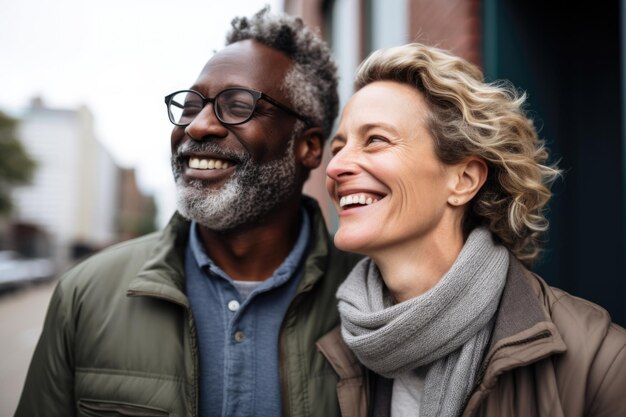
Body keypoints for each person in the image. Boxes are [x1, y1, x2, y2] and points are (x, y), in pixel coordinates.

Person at [15, 7, 361, 417]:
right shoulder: (84, 295)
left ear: (309, 146)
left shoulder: (370, 297)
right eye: (191, 105)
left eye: (237, 106)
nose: (197, 126)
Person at [320, 42, 626, 417]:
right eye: (338, 147)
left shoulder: (600, 362)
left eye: (376, 140)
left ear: (463, 179)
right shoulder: (328, 350)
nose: (336, 167)